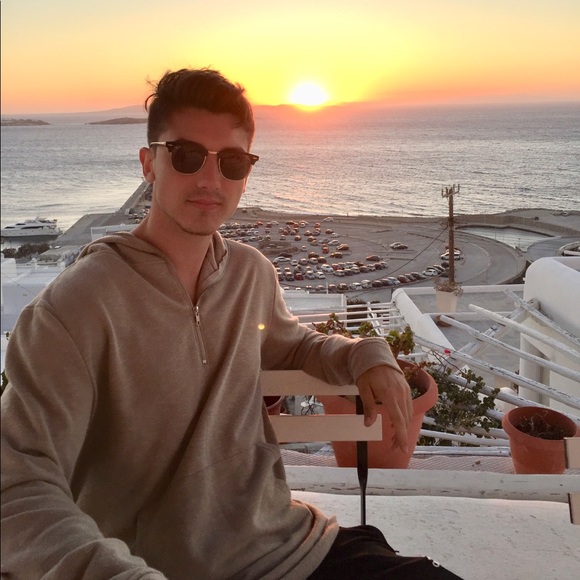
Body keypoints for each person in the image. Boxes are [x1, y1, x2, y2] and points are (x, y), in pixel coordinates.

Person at [1, 68, 461, 579]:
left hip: (290, 547)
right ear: (149, 164)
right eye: (187, 155)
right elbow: (17, 486)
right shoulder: (74, 308)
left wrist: (365, 355)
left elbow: (295, 345)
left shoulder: (250, 273)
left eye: (232, 162)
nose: (210, 180)